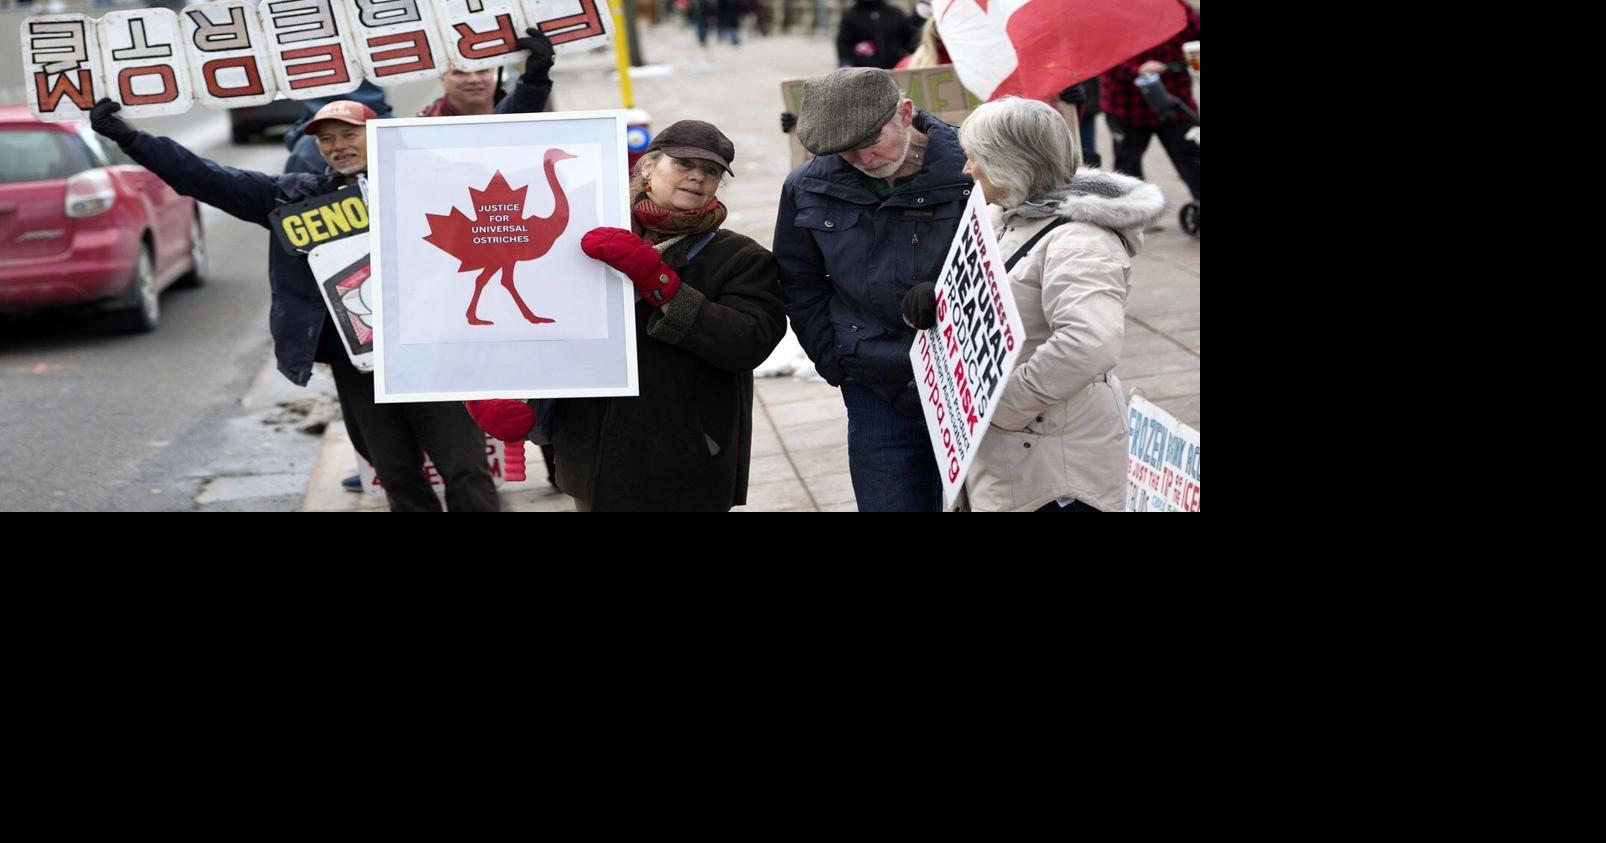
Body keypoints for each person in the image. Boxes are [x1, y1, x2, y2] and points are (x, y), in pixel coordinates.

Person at [88, 98, 501, 511]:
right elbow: (203, 176)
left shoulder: (422, 186)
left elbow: (505, 149)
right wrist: (131, 138)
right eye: (327, 139)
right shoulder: (292, 198)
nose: (338, 145)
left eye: (349, 134)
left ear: (376, 134)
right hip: (359, 369)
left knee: (465, 468)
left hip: (430, 359)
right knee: (395, 477)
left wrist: (536, 79)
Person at [466, 121, 786, 511]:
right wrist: (500, 390)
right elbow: (530, 315)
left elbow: (747, 342)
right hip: (593, 450)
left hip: (687, 455)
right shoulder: (581, 235)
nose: (698, 176)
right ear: (648, 167)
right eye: (684, 163)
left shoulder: (740, 257)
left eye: (712, 171)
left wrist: (661, 283)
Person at [901, 97, 1163, 511]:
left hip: (1054, 457)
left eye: (975, 158)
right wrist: (937, 298)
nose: (966, 169)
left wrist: (1003, 405)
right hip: (1012, 451)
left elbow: (1088, 344)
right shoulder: (1002, 214)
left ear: (1010, 163)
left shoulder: (1080, 240)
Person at [772, 68, 971, 512]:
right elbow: (798, 280)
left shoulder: (974, 166)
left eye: (870, 141)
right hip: (875, 386)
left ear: (904, 112)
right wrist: (837, 358)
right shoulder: (807, 186)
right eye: (845, 151)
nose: (862, 157)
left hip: (967, 382)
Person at [1100, 0, 1199, 201]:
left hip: (1174, 102)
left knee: (1193, 160)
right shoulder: (1111, 12)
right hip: (1127, 107)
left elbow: (1196, 33)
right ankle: (1129, 217)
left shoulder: (1176, 8)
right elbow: (1101, 56)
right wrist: (1138, 70)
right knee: (1128, 169)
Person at [417, 27, 555, 117]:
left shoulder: (521, 110)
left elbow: (510, 122)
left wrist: (536, 78)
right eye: (460, 73)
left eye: (482, 71)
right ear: (441, 77)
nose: (474, 79)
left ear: (494, 73)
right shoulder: (421, 128)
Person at [835, 0, 910, 69]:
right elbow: (844, 45)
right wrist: (846, 66)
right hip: (863, 74)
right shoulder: (850, 16)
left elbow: (909, 40)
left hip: (895, 71)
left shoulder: (895, 13)